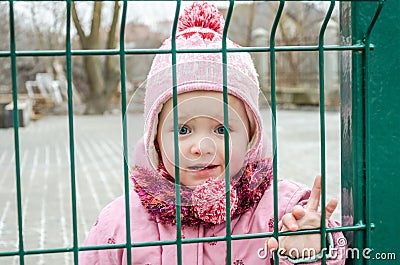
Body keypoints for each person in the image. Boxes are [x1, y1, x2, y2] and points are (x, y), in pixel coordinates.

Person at [79, 2, 346, 264]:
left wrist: (311, 249)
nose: (201, 147)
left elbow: (330, 245)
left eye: (221, 129)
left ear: (251, 137)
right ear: (155, 140)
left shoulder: (283, 209)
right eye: (183, 129)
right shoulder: (120, 223)